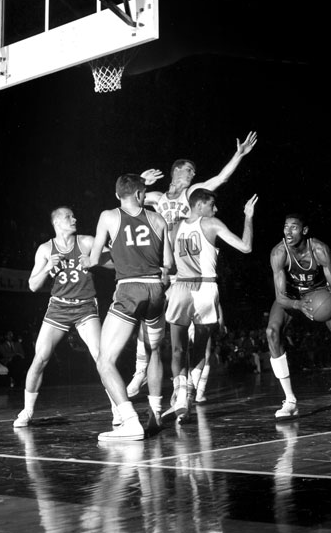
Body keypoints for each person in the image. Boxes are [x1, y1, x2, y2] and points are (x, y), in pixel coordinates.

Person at [125, 131, 258, 397]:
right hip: (164, 266)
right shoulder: (157, 198)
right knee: (147, 317)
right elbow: (127, 200)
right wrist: (140, 180)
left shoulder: (192, 194)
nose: (193, 174)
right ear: (175, 171)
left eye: (194, 172)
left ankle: (197, 384)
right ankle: (140, 371)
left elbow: (221, 178)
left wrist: (239, 155)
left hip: (189, 268)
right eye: (189, 170)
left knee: (198, 334)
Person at [88, 173, 173, 441]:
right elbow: (168, 264)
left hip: (129, 289)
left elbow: (93, 260)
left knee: (104, 361)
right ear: (139, 194)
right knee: (153, 350)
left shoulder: (108, 216)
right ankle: (155, 414)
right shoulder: (158, 219)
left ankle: (130, 421)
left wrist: (106, 257)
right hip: (156, 290)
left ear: (117, 195)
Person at [161, 189, 258, 422]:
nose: (215, 209)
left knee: (177, 349)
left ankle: (181, 395)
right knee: (200, 349)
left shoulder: (174, 227)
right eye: (212, 205)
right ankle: (188, 394)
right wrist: (248, 217)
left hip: (181, 287)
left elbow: (166, 263)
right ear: (199, 205)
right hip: (206, 289)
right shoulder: (212, 223)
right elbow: (246, 247)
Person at [13, 207, 113, 427]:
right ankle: (27, 411)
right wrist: (48, 267)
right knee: (40, 358)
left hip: (85, 306)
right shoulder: (45, 249)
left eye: (74, 215)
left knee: (100, 356)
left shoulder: (86, 242)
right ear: (57, 223)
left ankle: (117, 407)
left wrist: (94, 260)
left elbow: (115, 261)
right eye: (69, 217)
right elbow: (32, 285)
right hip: (58, 308)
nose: (74, 219)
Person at [266, 213, 331, 420]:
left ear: (304, 230)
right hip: (293, 298)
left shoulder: (320, 250)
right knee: (271, 332)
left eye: (294, 227)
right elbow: (280, 297)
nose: (288, 232)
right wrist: (298, 304)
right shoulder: (279, 253)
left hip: (320, 293)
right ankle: (290, 401)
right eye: (285, 227)